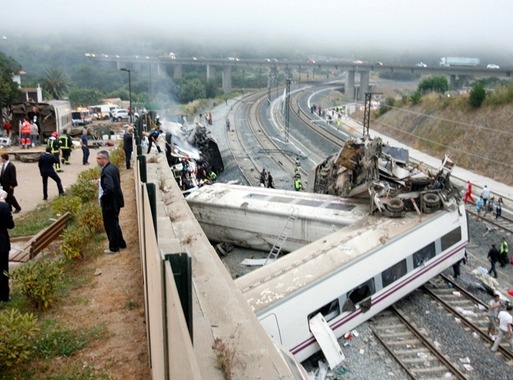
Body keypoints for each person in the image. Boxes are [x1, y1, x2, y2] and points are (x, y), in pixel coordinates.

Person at [97, 150, 126, 254]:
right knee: (115, 222)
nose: (97, 161)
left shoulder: (106, 171)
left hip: (110, 203)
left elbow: (109, 187)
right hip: (116, 201)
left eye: (98, 158)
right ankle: (121, 243)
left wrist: (103, 198)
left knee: (110, 225)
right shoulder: (113, 167)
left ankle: (113, 247)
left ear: (104, 159)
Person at [0, 190, 14, 302]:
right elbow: (11, 225)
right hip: (2, 244)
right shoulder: (4, 207)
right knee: (4, 269)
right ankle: (4, 295)